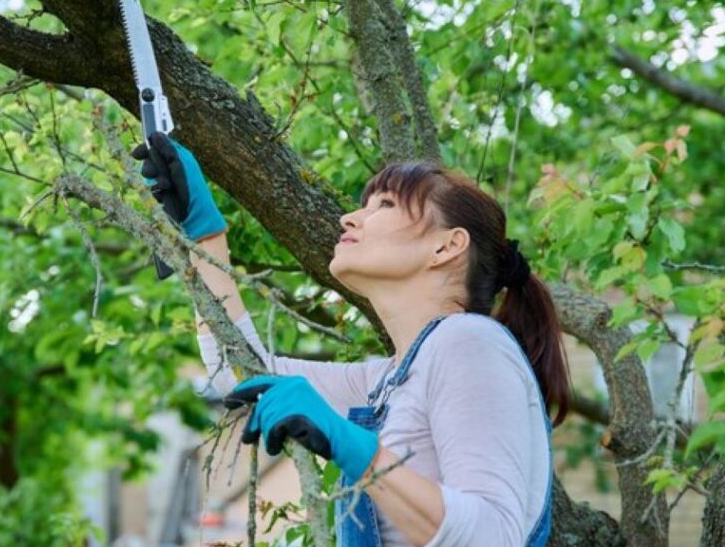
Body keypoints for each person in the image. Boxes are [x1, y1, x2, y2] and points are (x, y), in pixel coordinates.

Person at [132, 133, 571, 547]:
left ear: (446, 247)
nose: (350, 217)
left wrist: (353, 445)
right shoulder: (386, 381)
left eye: (384, 204)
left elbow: (494, 536)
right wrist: (205, 235)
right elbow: (237, 372)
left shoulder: (471, 343)